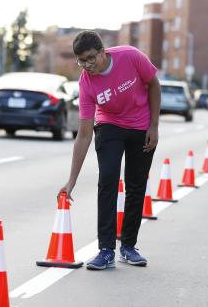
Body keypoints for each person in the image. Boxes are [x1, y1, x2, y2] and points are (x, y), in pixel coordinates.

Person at [58, 30, 161, 270]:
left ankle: (128, 246)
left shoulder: (130, 57)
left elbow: (154, 85)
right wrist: (71, 180)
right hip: (110, 126)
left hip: (141, 125)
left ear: (103, 52)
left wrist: (154, 126)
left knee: (136, 186)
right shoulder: (86, 82)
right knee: (108, 180)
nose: (87, 65)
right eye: (81, 60)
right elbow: (84, 134)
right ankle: (105, 250)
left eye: (91, 58)